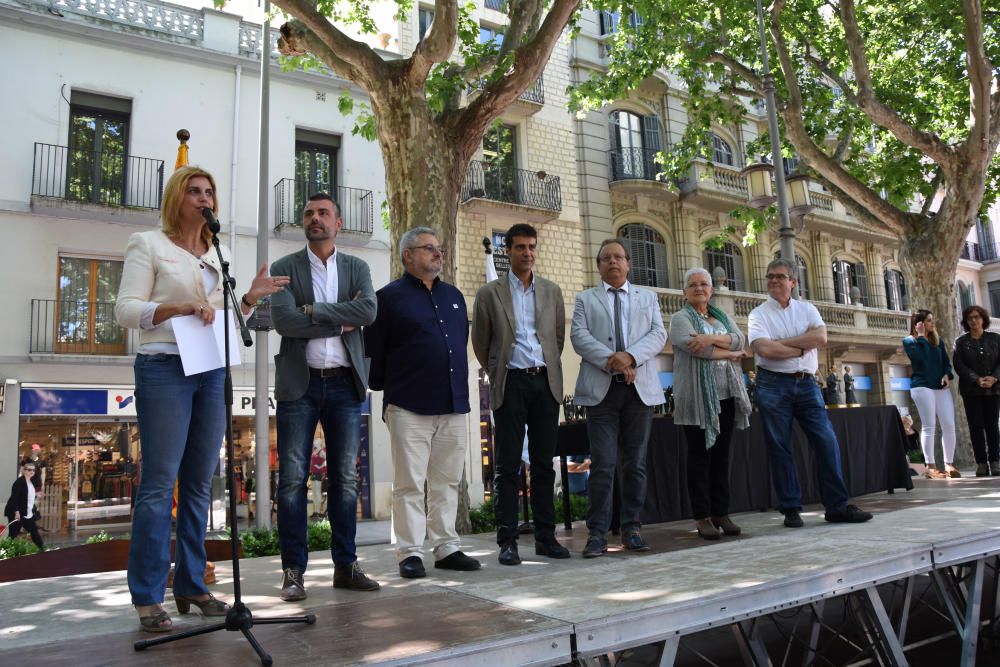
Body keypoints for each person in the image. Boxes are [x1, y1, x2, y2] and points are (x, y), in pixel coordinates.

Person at [115, 165, 288, 632]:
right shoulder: (148, 244)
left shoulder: (219, 253)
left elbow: (228, 321)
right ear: (177, 196)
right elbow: (125, 310)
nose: (204, 198)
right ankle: (148, 597)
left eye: (209, 191)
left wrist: (248, 299)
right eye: (194, 191)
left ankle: (191, 584)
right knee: (158, 486)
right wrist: (181, 306)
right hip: (165, 366)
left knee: (199, 485)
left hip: (211, 370)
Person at [269, 192, 379, 599]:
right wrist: (338, 318)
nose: (315, 218)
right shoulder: (284, 268)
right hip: (301, 385)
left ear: (338, 221)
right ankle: (293, 571)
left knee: (346, 480)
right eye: (309, 213)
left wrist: (314, 310)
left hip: (345, 383)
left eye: (323, 213)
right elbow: (285, 322)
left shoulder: (357, 267)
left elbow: (368, 311)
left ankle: (345, 566)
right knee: (293, 480)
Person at [365, 227, 481, 579]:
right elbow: (375, 352)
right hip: (408, 405)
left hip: (453, 403)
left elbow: (459, 344)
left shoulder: (455, 296)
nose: (437, 253)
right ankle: (410, 552)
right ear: (407, 256)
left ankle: (446, 547)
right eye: (428, 248)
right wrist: (391, 391)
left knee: (446, 481)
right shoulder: (387, 298)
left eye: (438, 248)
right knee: (410, 484)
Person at [746, 258, 873, 528]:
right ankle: (791, 508)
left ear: (793, 282)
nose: (774, 281)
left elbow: (821, 339)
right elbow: (764, 350)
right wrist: (802, 347)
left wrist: (782, 344)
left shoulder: (808, 309)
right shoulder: (758, 314)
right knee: (780, 447)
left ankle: (837, 507)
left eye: (780, 277)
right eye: (770, 277)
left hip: (807, 384)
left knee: (826, 442)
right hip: (772, 384)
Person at [472, 223, 569, 566]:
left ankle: (546, 538)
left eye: (532, 247)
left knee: (544, 465)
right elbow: (482, 344)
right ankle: (508, 541)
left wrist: (544, 369)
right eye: (520, 248)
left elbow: (556, 338)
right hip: (509, 383)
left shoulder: (552, 290)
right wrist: (501, 369)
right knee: (507, 467)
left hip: (545, 383)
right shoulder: (489, 293)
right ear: (507, 251)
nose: (527, 253)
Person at [570, 238, 667, 557]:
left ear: (628, 263)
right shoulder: (585, 298)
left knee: (635, 463)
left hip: (639, 391)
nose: (613, 262)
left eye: (618, 257)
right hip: (602, 392)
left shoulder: (648, 297)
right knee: (602, 464)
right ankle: (597, 533)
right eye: (606, 258)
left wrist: (629, 357)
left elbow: (657, 334)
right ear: (598, 265)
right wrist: (612, 360)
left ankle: (632, 528)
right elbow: (579, 336)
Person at [669, 268, 752, 540]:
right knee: (699, 459)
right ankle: (702, 516)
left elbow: (741, 338)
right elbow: (699, 350)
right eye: (692, 285)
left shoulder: (720, 316)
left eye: (704, 284)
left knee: (721, 458)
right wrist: (730, 352)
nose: (699, 288)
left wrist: (711, 337)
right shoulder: (680, 319)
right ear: (685, 291)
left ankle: (721, 512)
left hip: (727, 396)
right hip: (697, 399)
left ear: (711, 289)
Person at [903, 310, 958, 479]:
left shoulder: (937, 341)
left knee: (949, 424)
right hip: (922, 387)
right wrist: (920, 337)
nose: (932, 323)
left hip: (940, 387)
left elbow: (946, 363)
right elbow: (919, 358)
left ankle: (949, 464)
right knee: (929, 425)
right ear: (918, 323)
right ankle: (931, 466)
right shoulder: (910, 341)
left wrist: (947, 375)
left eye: (932, 320)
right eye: (928, 320)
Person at [952, 305, 1000, 477]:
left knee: (993, 426)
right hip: (971, 391)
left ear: (983, 319)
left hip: (993, 389)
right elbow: (959, 366)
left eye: (977, 317)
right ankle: (981, 463)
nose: (974, 321)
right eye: (970, 318)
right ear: (966, 321)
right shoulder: (961, 342)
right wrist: (976, 379)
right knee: (976, 427)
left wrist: (994, 377)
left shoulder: (995, 338)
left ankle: (995, 461)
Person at [4, 461, 44, 549]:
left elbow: (28, 497)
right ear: (24, 471)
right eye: (29, 470)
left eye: (33, 470)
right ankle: (5, 552)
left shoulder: (31, 482)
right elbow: (14, 498)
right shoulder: (19, 482)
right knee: (13, 534)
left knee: (34, 532)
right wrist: (17, 512)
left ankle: (43, 548)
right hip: (17, 512)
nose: (32, 472)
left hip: (27, 513)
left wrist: (37, 495)